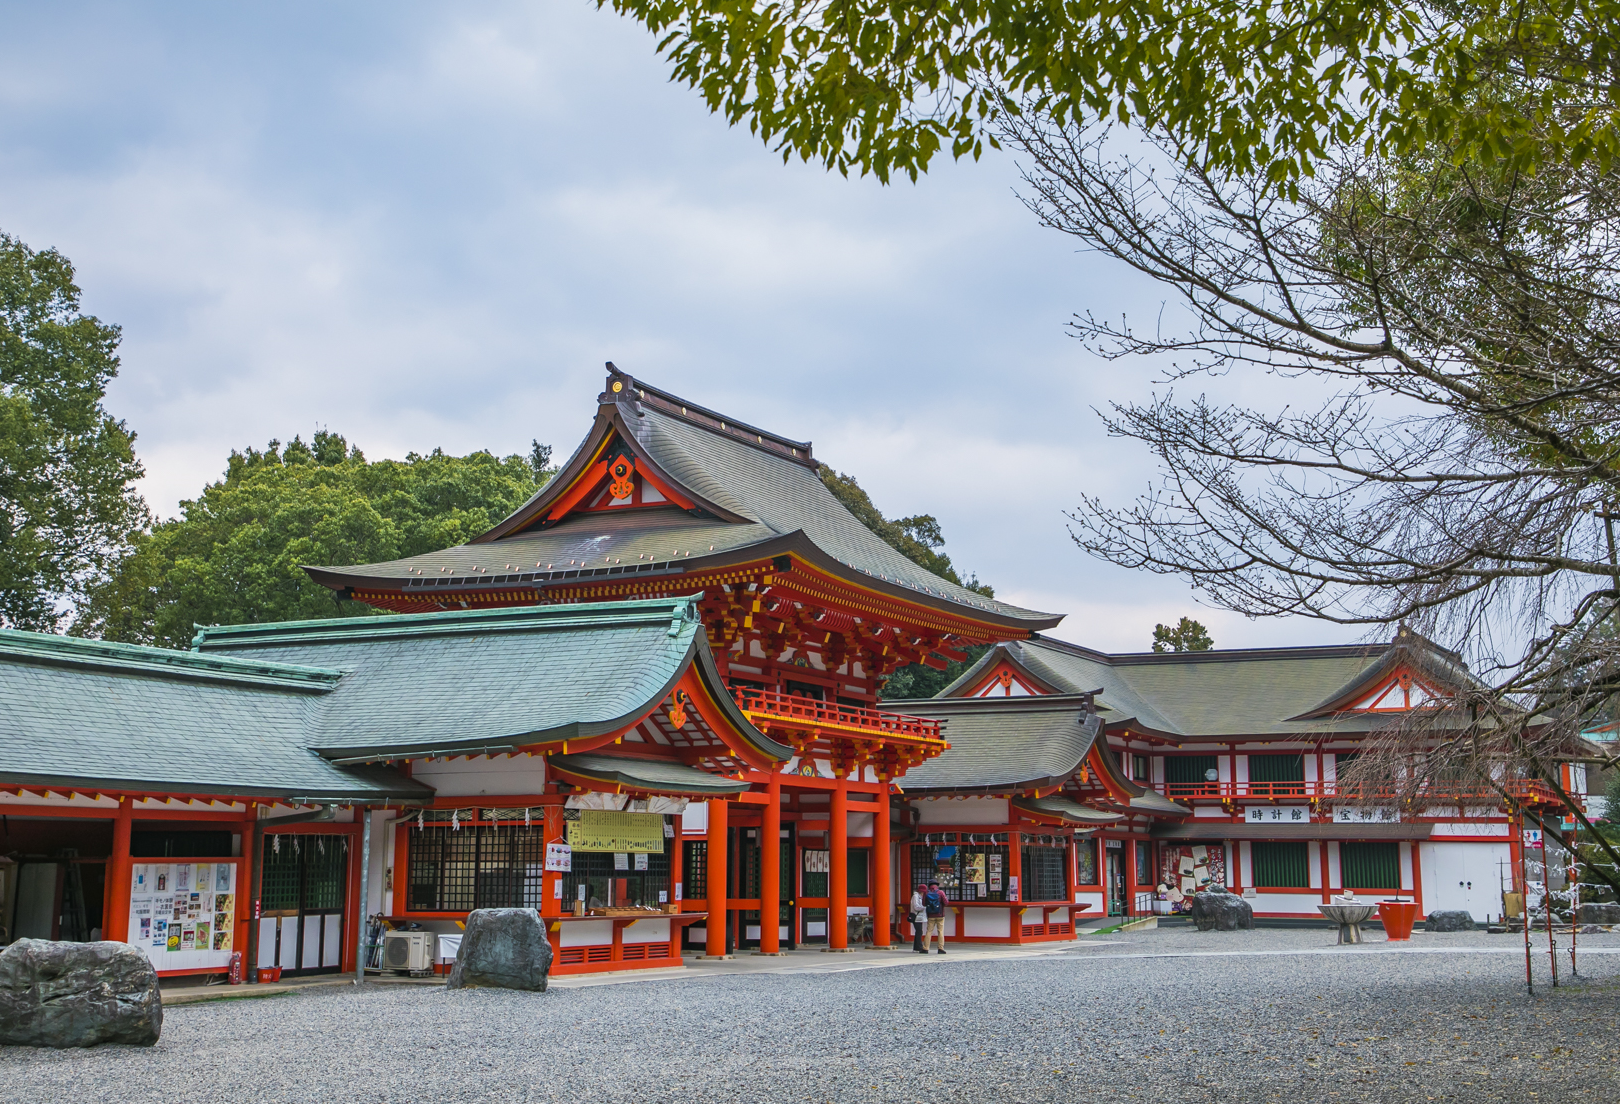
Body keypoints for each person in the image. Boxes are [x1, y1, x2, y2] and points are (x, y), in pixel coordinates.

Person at [923, 881, 948, 954]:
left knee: (929, 931)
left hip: (930, 915)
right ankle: (940, 948)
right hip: (940, 915)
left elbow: (923, 903)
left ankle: (925, 948)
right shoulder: (940, 892)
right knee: (940, 931)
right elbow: (946, 902)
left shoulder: (926, 893)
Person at [910, 884, 928, 953]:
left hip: (919, 916)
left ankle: (916, 947)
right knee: (919, 931)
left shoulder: (921, 896)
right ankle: (919, 947)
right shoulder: (915, 896)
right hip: (916, 915)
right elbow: (916, 907)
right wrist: (924, 908)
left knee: (919, 931)